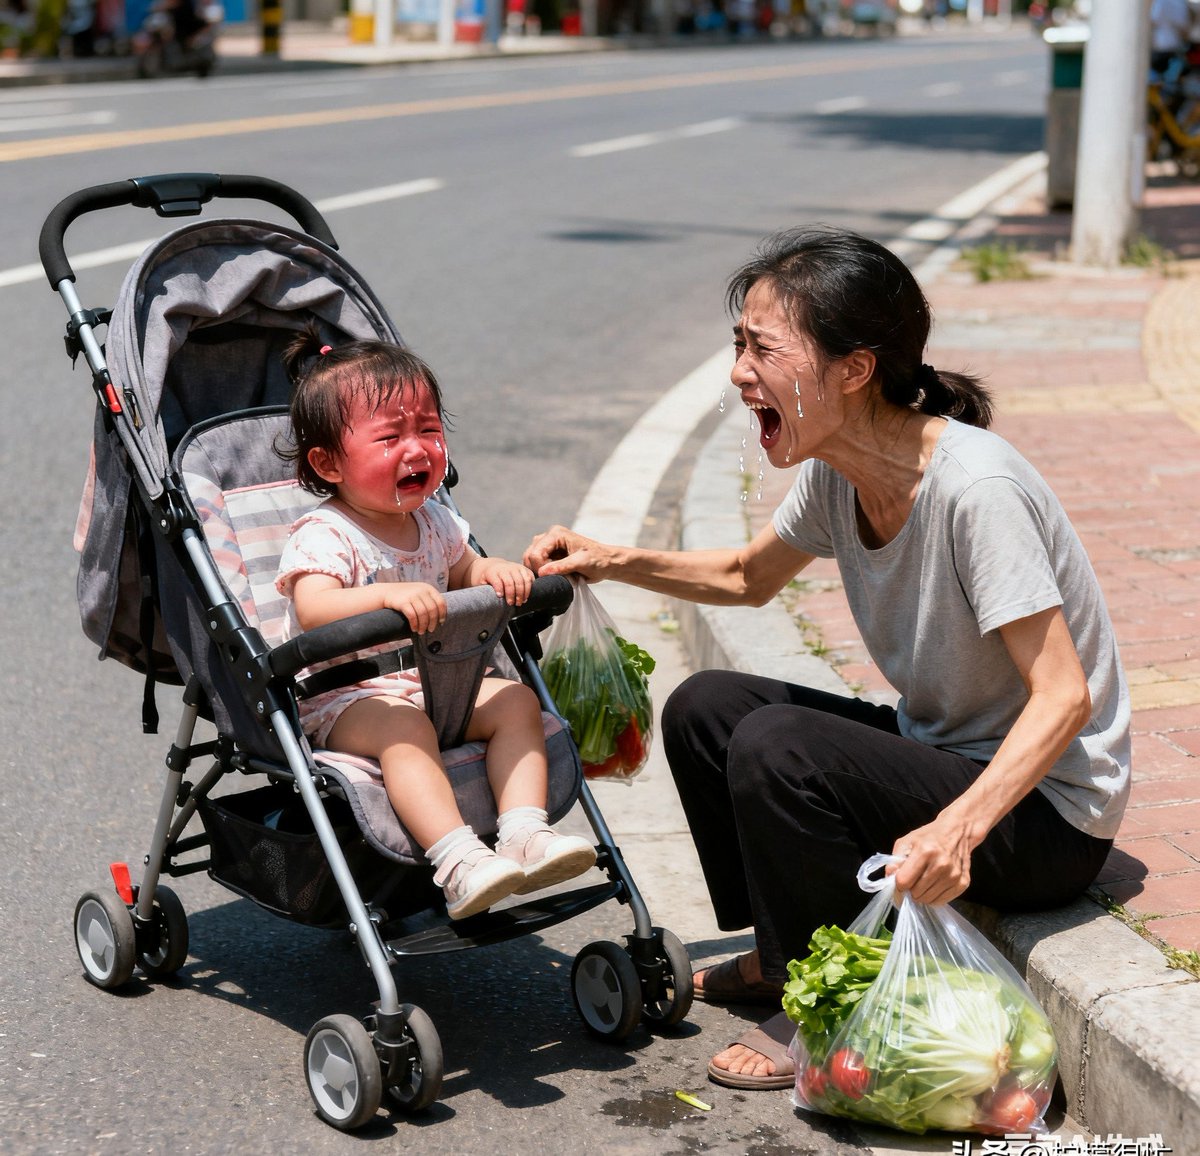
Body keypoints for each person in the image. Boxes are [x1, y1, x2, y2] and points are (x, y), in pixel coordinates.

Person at [524, 226, 1129, 1090]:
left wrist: (959, 827)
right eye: (739, 345)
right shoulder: (839, 469)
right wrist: (610, 558)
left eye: (762, 348)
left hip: (1047, 819)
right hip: (947, 758)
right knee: (707, 707)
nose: (738, 372)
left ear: (854, 369)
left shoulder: (974, 490)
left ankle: (826, 1001)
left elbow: (1064, 696)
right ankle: (783, 956)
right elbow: (746, 576)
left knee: (779, 745)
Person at [277, 331, 596, 921]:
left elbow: (465, 566)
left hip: (433, 684)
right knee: (405, 730)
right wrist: (386, 595)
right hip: (352, 698)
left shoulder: (437, 520)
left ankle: (524, 832)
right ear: (327, 463)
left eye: (428, 430)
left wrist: (492, 570)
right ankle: (456, 861)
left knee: (517, 703)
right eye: (390, 437)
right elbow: (313, 608)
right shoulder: (324, 534)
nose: (417, 449)